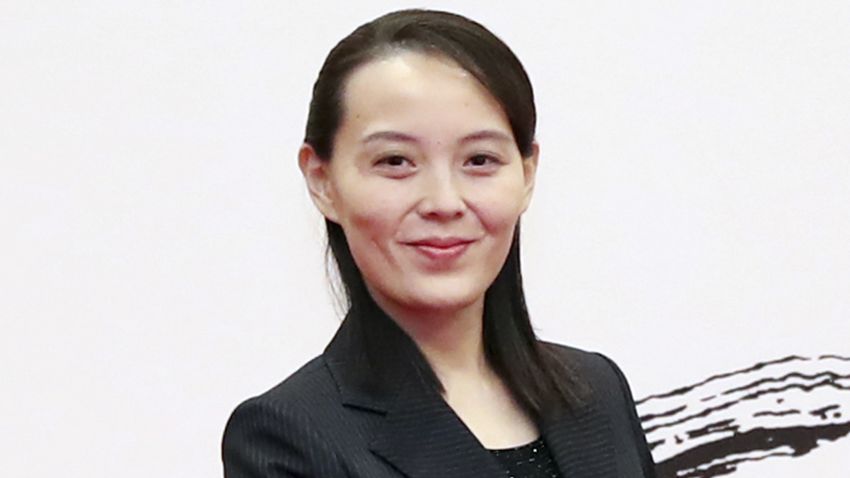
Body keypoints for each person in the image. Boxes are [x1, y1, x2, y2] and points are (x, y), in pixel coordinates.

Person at [222, 9, 656, 478]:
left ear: (527, 175)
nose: (444, 202)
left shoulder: (596, 390)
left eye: (480, 160)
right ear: (322, 181)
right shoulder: (289, 436)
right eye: (395, 161)